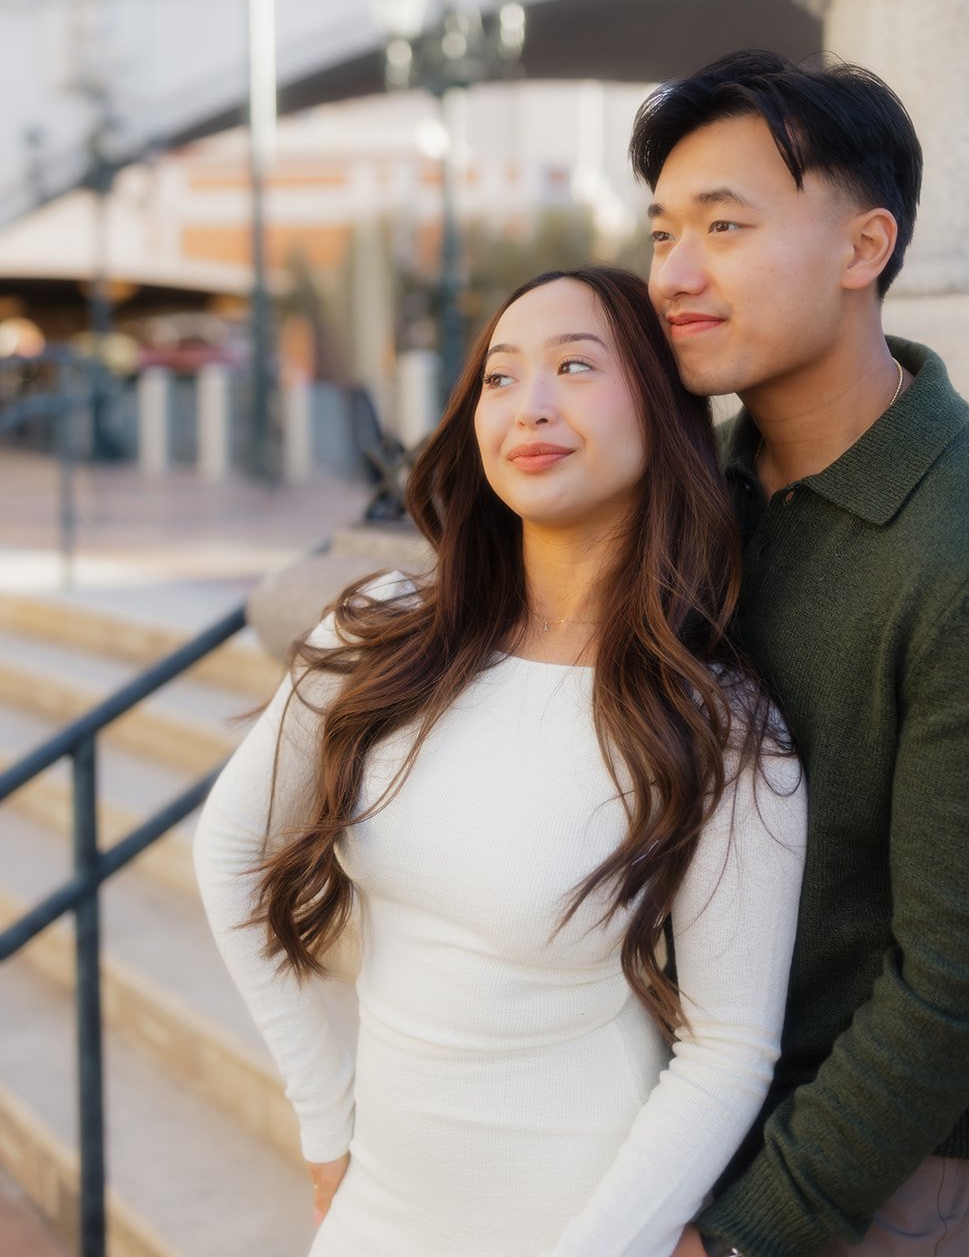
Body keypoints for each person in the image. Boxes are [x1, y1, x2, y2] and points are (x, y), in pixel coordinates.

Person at [193, 266, 806, 1257]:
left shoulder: (718, 721)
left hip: (576, 1219)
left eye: (575, 366)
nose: (531, 405)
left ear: (661, 409)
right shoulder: (381, 630)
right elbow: (230, 851)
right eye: (500, 376)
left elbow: (728, 1046)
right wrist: (325, 1117)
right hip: (371, 1218)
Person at [638, 49, 969, 1257]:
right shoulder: (690, 495)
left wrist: (744, 1231)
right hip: (668, 1131)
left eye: (723, 226)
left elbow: (963, 986)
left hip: (863, 1181)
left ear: (861, 247)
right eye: (661, 232)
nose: (673, 273)